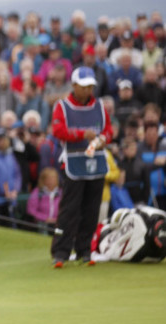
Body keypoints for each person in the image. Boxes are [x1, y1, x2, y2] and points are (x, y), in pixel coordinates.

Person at [50, 67, 114, 267]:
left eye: (90, 87)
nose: (88, 91)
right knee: (70, 209)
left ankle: (85, 249)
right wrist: (80, 134)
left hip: (95, 161)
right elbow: (58, 130)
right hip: (73, 161)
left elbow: (108, 129)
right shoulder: (63, 106)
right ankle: (61, 251)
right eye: (84, 86)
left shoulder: (100, 106)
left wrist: (104, 138)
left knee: (91, 208)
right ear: (74, 85)